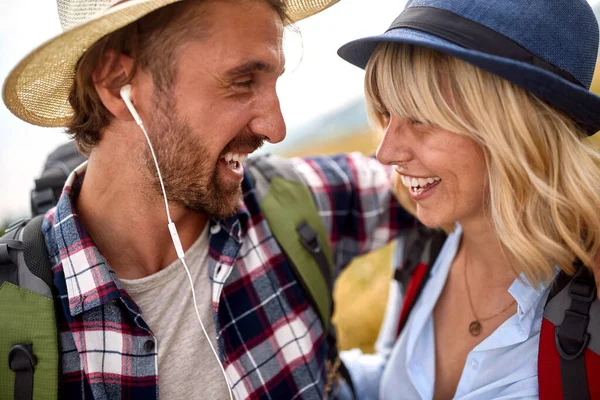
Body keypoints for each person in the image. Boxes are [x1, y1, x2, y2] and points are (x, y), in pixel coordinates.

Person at [1, 0, 414, 399]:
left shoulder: (289, 202)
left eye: (273, 81)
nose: (276, 128)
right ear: (115, 83)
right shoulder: (13, 315)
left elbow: (439, 180)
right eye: (241, 82)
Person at [335, 0, 600, 399]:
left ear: (511, 125)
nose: (386, 153)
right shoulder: (422, 244)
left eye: (419, 117)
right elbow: (396, 374)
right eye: (387, 115)